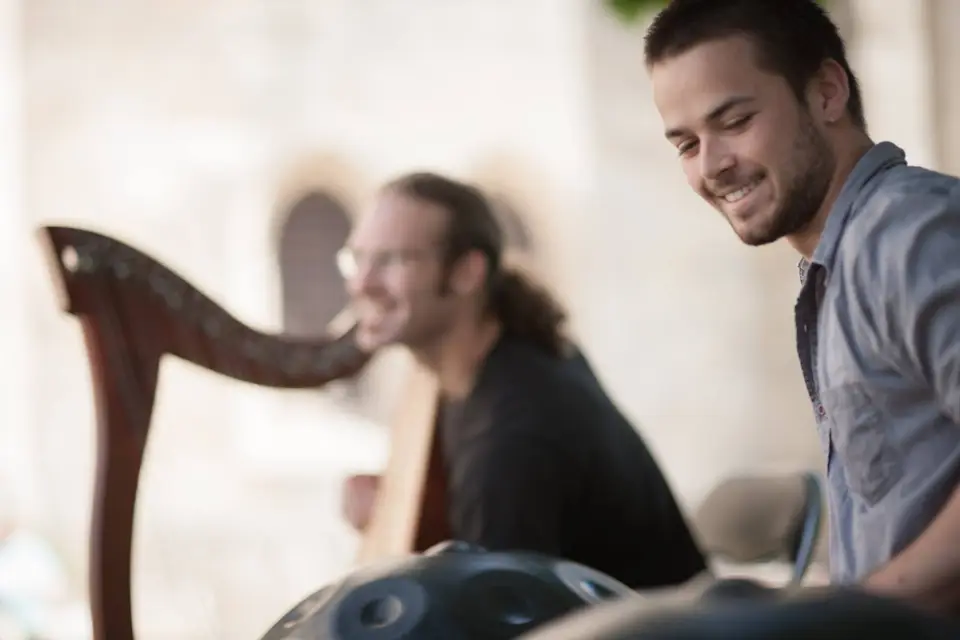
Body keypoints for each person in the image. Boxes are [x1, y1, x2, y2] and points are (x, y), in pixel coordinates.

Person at [644, 0, 960, 616]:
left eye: (734, 121)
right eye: (686, 144)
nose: (712, 165)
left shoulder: (907, 235)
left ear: (826, 92)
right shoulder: (840, 262)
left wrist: (843, 621)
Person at [338, 171, 707, 589]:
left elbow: (494, 613)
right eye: (356, 258)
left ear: (466, 272)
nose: (361, 284)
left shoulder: (513, 433)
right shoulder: (521, 352)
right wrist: (391, 506)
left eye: (391, 260)